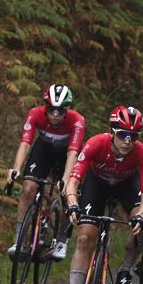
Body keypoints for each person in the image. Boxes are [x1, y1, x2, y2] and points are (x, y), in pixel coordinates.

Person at [60, 105, 143, 284]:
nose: (128, 141)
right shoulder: (95, 143)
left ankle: (125, 269)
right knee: (84, 240)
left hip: (126, 186)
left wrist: (140, 216)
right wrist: (73, 205)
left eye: (133, 136)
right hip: (97, 184)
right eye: (122, 134)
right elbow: (73, 182)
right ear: (111, 131)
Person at [6, 84, 85, 259]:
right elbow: (25, 143)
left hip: (67, 154)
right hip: (44, 150)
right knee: (27, 189)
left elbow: (73, 153)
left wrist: (65, 180)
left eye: (60, 110)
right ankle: (18, 241)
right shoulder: (34, 114)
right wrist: (16, 168)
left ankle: (62, 241)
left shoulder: (77, 120)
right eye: (51, 109)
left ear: (68, 108)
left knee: (67, 195)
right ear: (45, 106)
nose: (55, 114)